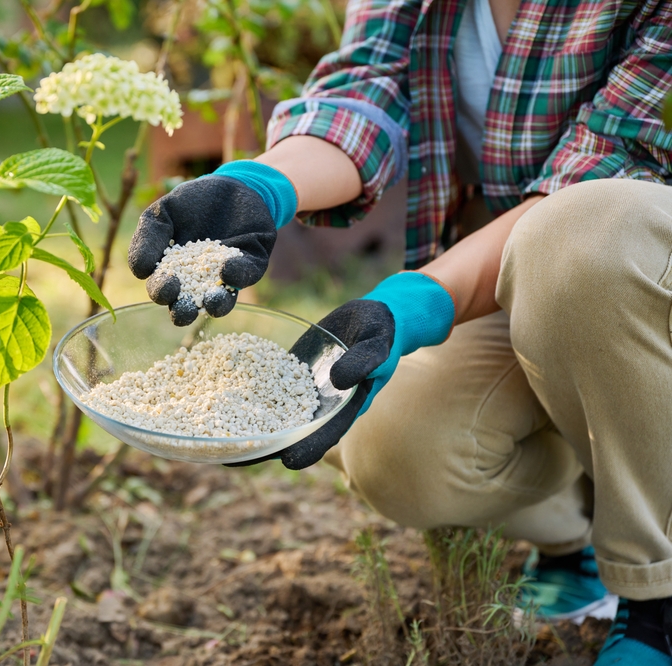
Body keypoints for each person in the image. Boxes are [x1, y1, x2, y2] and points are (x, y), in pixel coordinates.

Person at [128, 0, 672, 662]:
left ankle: (655, 603)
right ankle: (580, 531)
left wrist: (414, 301)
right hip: (522, 277)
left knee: (586, 235)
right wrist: (260, 185)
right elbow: (363, 92)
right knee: (397, 447)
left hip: (636, 271)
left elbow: (604, 165)